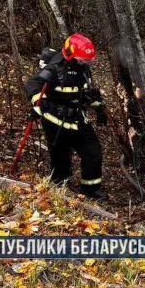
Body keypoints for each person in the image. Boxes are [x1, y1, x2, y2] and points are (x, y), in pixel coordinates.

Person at [24, 33, 108, 201]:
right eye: (81, 59)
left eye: (86, 60)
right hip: (56, 121)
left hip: (77, 118)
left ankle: (91, 190)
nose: (84, 62)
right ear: (70, 54)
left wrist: (98, 108)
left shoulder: (83, 69)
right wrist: (40, 103)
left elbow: (83, 93)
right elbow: (32, 85)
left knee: (93, 152)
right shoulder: (55, 69)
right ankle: (59, 188)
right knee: (60, 157)